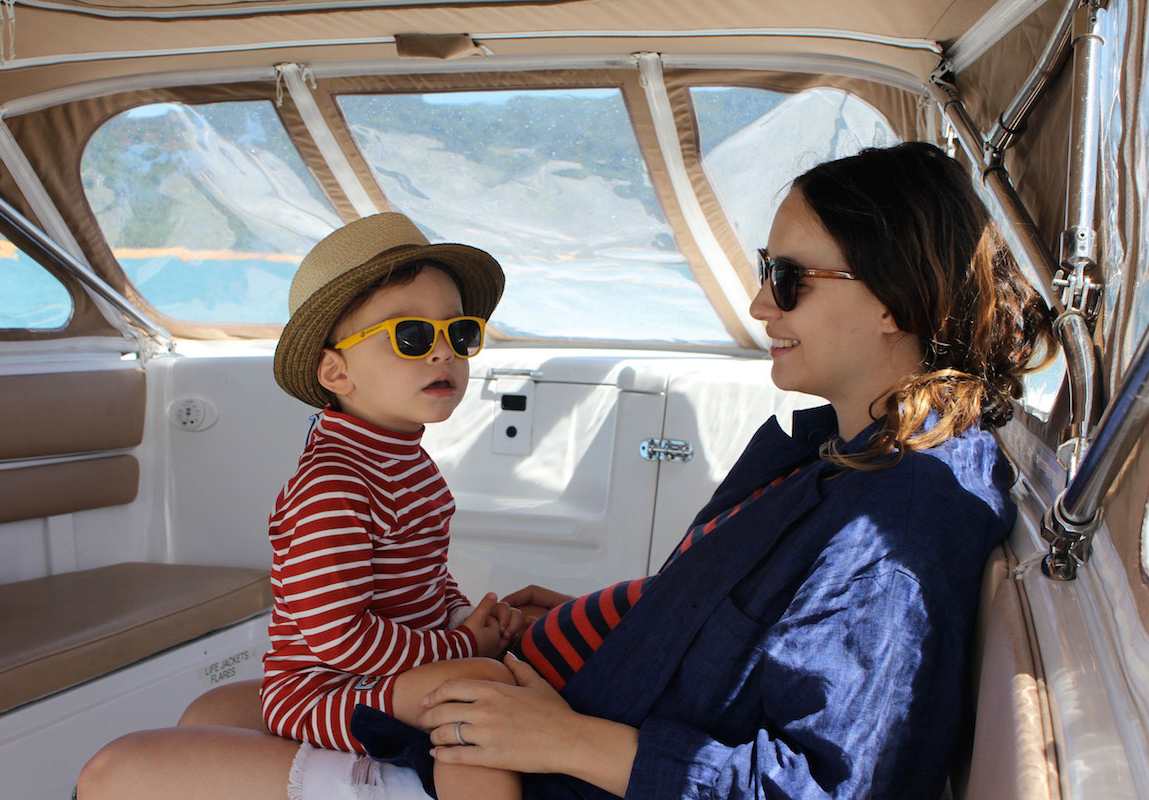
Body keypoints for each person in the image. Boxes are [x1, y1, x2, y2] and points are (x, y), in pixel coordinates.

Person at [79, 141, 1057, 799]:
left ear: (891, 299)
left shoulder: (901, 527)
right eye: (767, 268)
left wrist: (559, 739)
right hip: (549, 700)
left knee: (120, 770)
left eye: (790, 277)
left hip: (536, 754)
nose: (760, 303)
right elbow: (746, 631)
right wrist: (593, 616)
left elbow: (819, 782)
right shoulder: (853, 460)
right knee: (210, 710)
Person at [79, 211, 526, 800]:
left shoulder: (409, 467)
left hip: (379, 672)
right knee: (481, 683)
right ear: (335, 370)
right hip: (319, 690)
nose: (442, 353)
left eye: (459, 333)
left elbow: (426, 578)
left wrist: (463, 615)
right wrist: (464, 645)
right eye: (410, 336)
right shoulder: (334, 484)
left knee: (492, 670)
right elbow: (338, 637)